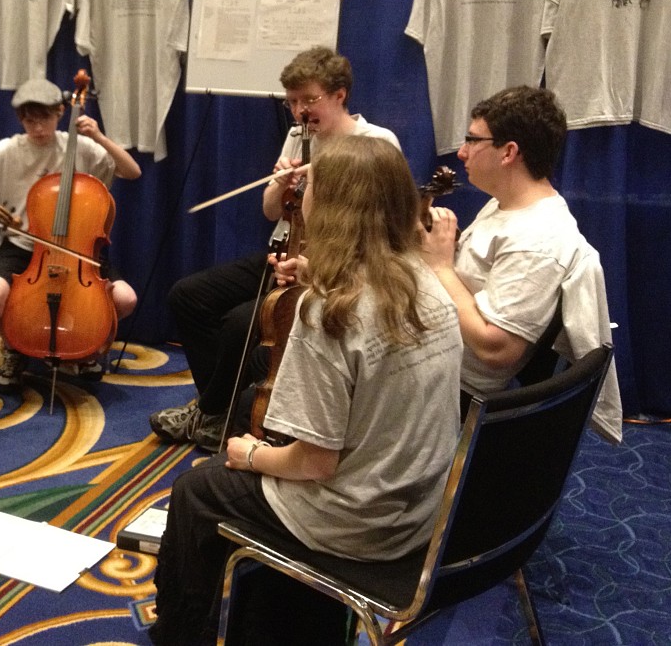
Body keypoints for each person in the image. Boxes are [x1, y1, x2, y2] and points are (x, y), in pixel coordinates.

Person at [150, 137, 463, 645]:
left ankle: (179, 634)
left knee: (197, 489)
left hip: (358, 526)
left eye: (311, 185)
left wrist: (250, 456)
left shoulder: (329, 313)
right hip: (422, 515)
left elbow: (314, 464)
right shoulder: (427, 281)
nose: (302, 195)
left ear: (333, 206)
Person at [150, 47, 400, 451]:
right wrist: (282, 185)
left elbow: (380, 221)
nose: (300, 111)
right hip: (285, 249)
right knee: (188, 296)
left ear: (339, 95)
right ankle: (222, 411)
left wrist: (324, 174)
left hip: (334, 265)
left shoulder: (375, 141)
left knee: (239, 324)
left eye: (309, 100)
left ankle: (214, 411)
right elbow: (270, 212)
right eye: (293, 102)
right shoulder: (298, 137)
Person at [0, 77, 141, 394]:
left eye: (44, 118)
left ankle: (86, 350)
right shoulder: (6, 152)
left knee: (125, 299)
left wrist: (99, 136)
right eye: (30, 120)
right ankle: (15, 347)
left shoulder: (82, 148)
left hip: (79, 251)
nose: (38, 127)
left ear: (60, 112)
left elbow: (131, 171)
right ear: (21, 119)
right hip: (23, 247)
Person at [420, 85, 581, 391]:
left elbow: (496, 348)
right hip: (433, 352)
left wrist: (441, 267)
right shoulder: (504, 201)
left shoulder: (539, 239)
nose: (461, 152)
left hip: (450, 386)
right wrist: (444, 248)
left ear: (509, 152)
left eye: (472, 141)